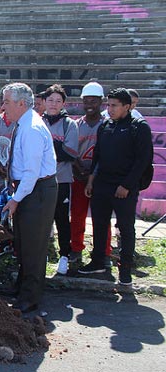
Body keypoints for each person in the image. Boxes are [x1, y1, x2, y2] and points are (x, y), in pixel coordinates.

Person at [81, 88, 153, 285]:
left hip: (124, 188)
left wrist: (127, 185)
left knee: (125, 228)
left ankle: (126, 269)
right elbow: (98, 156)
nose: (109, 109)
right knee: (99, 224)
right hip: (102, 184)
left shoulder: (139, 127)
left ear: (127, 107)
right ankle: (98, 262)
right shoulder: (105, 126)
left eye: (114, 105)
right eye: (108, 105)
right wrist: (91, 180)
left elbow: (143, 161)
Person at [2, 82, 58, 313]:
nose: (3, 106)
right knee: (23, 243)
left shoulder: (31, 128)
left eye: (6, 102)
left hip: (38, 190)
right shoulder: (23, 123)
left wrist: (15, 199)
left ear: (21, 103)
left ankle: (30, 296)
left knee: (34, 246)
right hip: (29, 189)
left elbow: (32, 172)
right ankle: (22, 286)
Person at [70, 82, 112, 267]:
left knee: (102, 218)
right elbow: (71, 151)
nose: (89, 104)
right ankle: (77, 249)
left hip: (101, 179)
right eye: (86, 101)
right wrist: (81, 170)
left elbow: (107, 154)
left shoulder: (108, 125)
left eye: (93, 101)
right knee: (77, 215)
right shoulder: (77, 125)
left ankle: (104, 252)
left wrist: (93, 175)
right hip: (79, 177)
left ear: (101, 102)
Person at [41, 84, 79, 275]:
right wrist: (56, 147)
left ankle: (64, 255)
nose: (54, 104)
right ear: (44, 102)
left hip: (61, 179)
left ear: (63, 103)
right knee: (39, 219)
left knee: (62, 219)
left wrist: (48, 146)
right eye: (50, 100)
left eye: (58, 101)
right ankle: (41, 256)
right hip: (39, 180)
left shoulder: (69, 124)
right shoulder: (38, 122)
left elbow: (70, 153)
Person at [0, 90, 15, 257]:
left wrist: (11, 169)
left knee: (16, 207)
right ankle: (3, 241)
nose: (5, 107)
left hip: (16, 173)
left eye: (8, 103)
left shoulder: (20, 122)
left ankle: (16, 242)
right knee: (2, 206)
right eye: (2, 104)